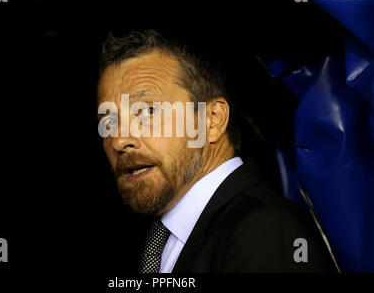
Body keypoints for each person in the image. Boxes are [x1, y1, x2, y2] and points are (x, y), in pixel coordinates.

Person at [96, 29, 337, 273]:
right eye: (108, 121)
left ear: (212, 120)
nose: (118, 140)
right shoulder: (170, 237)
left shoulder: (264, 230)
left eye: (148, 111)